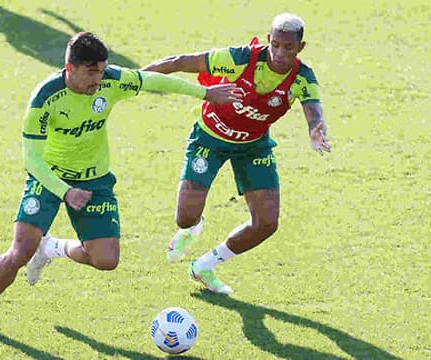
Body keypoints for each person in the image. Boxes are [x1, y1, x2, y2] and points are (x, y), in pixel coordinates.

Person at [0, 31, 242, 337]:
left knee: (106, 260)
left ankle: (52, 248)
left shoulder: (111, 80)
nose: (98, 79)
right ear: (70, 68)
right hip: (50, 178)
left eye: (102, 70)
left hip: (95, 179)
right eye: (91, 72)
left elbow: (154, 81)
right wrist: (65, 191)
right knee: (19, 252)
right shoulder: (45, 98)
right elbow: (32, 160)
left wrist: (206, 94)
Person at [141, 13, 331, 295]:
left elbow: (314, 110)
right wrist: (133, 79)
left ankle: (204, 265)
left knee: (267, 223)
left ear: (300, 47)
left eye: (288, 47)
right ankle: (193, 228)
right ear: (268, 40)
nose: (279, 53)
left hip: (253, 146)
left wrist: (316, 130)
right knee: (184, 218)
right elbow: (180, 62)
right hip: (210, 138)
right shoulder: (239, 58)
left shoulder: (302, 78)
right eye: (275, 45)